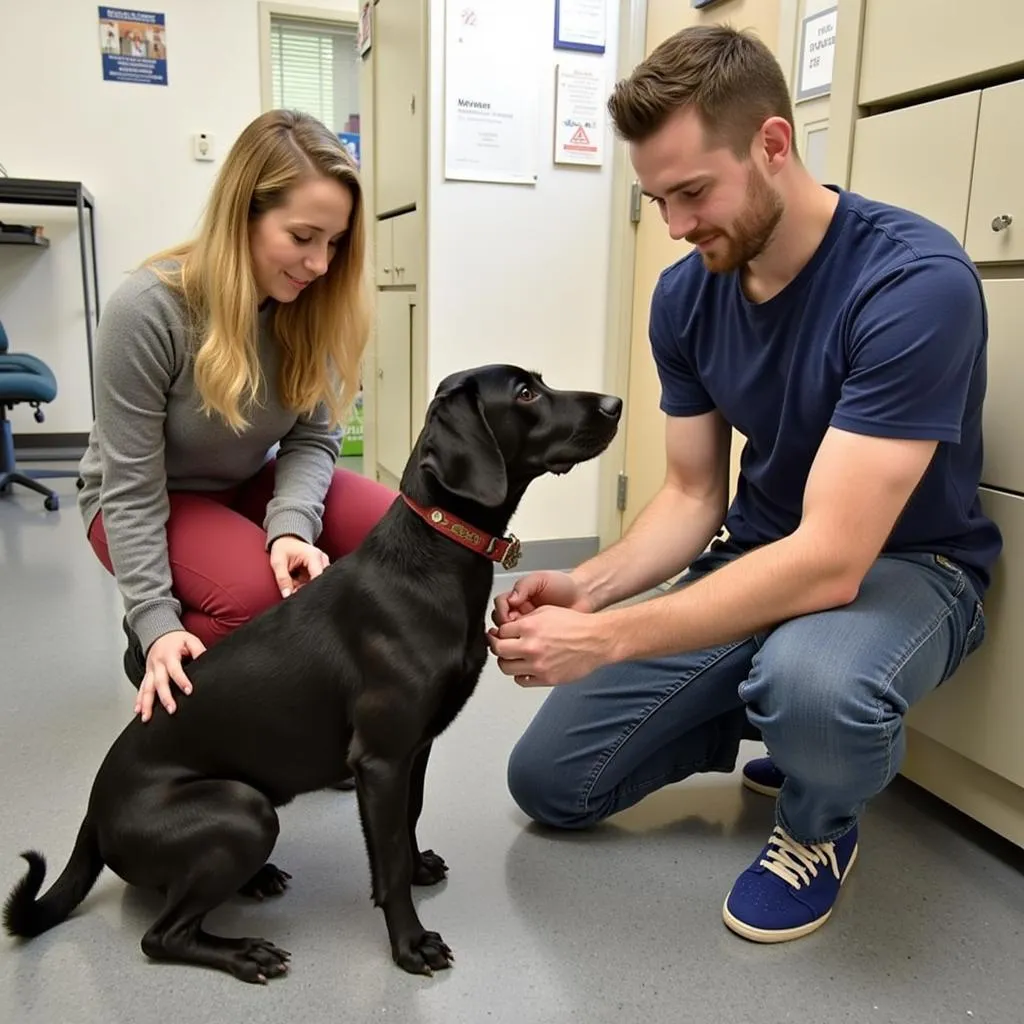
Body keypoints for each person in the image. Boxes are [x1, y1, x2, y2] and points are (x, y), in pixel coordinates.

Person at [489, 26, 1002, 944]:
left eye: (692, 192)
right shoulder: (686, 298)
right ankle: (793, 726)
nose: (679, 227)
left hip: (910, 568)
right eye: (658, 202)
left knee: (813, 685)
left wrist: (605, 638)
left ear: (773, 143)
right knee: (553, 783)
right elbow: (694, 497)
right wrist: (591, 584)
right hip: (767, 554)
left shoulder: (913, 284)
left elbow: (835, 562)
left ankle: (819, 815)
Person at [78, 109, 396, 725]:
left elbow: (312, 440)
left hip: (246, 479)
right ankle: (160, 648)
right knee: (254, 600)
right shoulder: (147, 311)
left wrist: (291, 528)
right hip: (139, 495)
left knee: (389, 540)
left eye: (334, 243)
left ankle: (316, 709)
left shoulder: (317, 306)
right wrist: (153, 616)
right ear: (242, 215)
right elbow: (132, 486)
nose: (320, 265)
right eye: (302, 238)